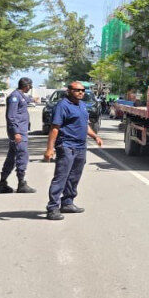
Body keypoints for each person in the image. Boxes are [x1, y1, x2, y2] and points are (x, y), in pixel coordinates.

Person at [43, 81, 103, 221]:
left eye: (82, 90)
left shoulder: (82, 105)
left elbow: (85, 125)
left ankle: (67, 203)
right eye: (77, 90)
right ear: (69, 91)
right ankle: (52, 208)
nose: (81, 92)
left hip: (81, 146)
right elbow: (55, 128)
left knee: (74, 176)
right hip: (66, 146)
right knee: (61, 177)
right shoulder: (62, 106)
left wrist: (95, 136)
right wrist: (49, 149)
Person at [0, 77, 36, 194]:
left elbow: (27, 100)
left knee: (11, 158)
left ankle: (2, 183)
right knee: (22, 156)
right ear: (26, 86)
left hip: (20, 131)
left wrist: (33, 99)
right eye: (30, 86)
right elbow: (11, 116)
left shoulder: (20, 95)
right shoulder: (14, 97)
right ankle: (21, 183)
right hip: (18, 133)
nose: (30, 88)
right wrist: (16, 132)